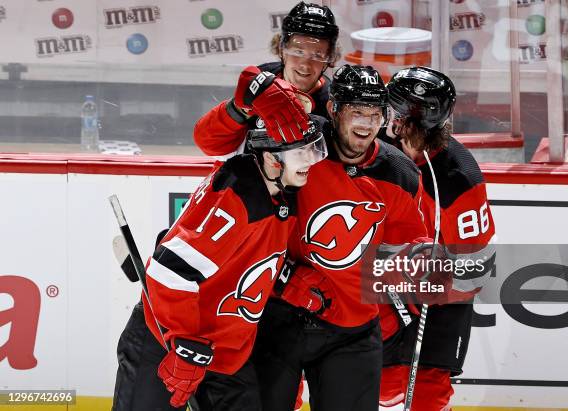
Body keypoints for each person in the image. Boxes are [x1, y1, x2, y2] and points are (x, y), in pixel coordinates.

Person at [196, 63, 429, 411]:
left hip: (352, 330)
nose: (365, 124)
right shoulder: (297, 142)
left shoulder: (401, 174)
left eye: (374, 114)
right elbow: (252, 208)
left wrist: (404, 282)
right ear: (333, 109)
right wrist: (242, 102)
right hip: (277, 318)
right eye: (355, 112)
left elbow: (404, 249)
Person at [111, 116, 328, 411]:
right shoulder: (238, 197)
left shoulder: (280, 195)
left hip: (225, 354)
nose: (311, 160)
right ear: (272, 158)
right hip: (165, 341)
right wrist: (183, 346)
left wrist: (289, 283)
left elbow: (248, 262)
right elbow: (169, 271)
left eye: (312, 149)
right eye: (300, 152)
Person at [377, 66, 497, 410]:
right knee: (384, 388)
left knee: (428, 391)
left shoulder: (459, 177)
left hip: (438, 298)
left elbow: (475, 268)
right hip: (383, 289)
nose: (387, 122)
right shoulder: (373, 148)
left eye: (394, 114)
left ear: (405, 121)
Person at [195, 1, 340, 158]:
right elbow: (209, 144)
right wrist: (239, 108)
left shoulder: (334, 103)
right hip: (251, 178)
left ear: (330, 59)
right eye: (298, 51)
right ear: (281, 50)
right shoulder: (261, 78)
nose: (305, 65)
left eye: (317, 55)